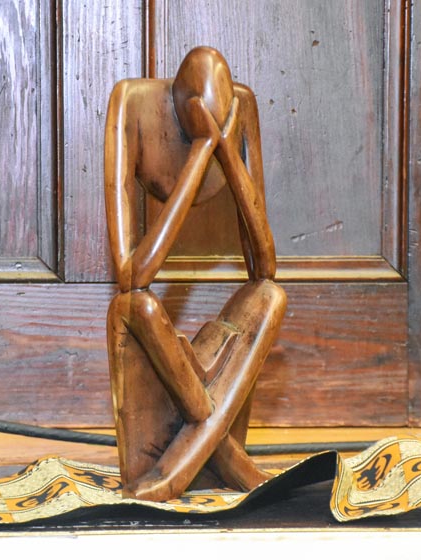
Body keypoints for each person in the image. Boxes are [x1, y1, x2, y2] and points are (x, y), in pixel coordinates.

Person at [104, 46, 286, 501]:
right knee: (138, 306)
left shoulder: (241, 107)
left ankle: (189, 455)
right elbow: (132, 276)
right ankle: (224, 456)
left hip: (216, 142)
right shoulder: (130, 104)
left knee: (270, 296)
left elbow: (265, 267)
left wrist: (225, 148)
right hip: (138, 317)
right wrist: (201, 150)